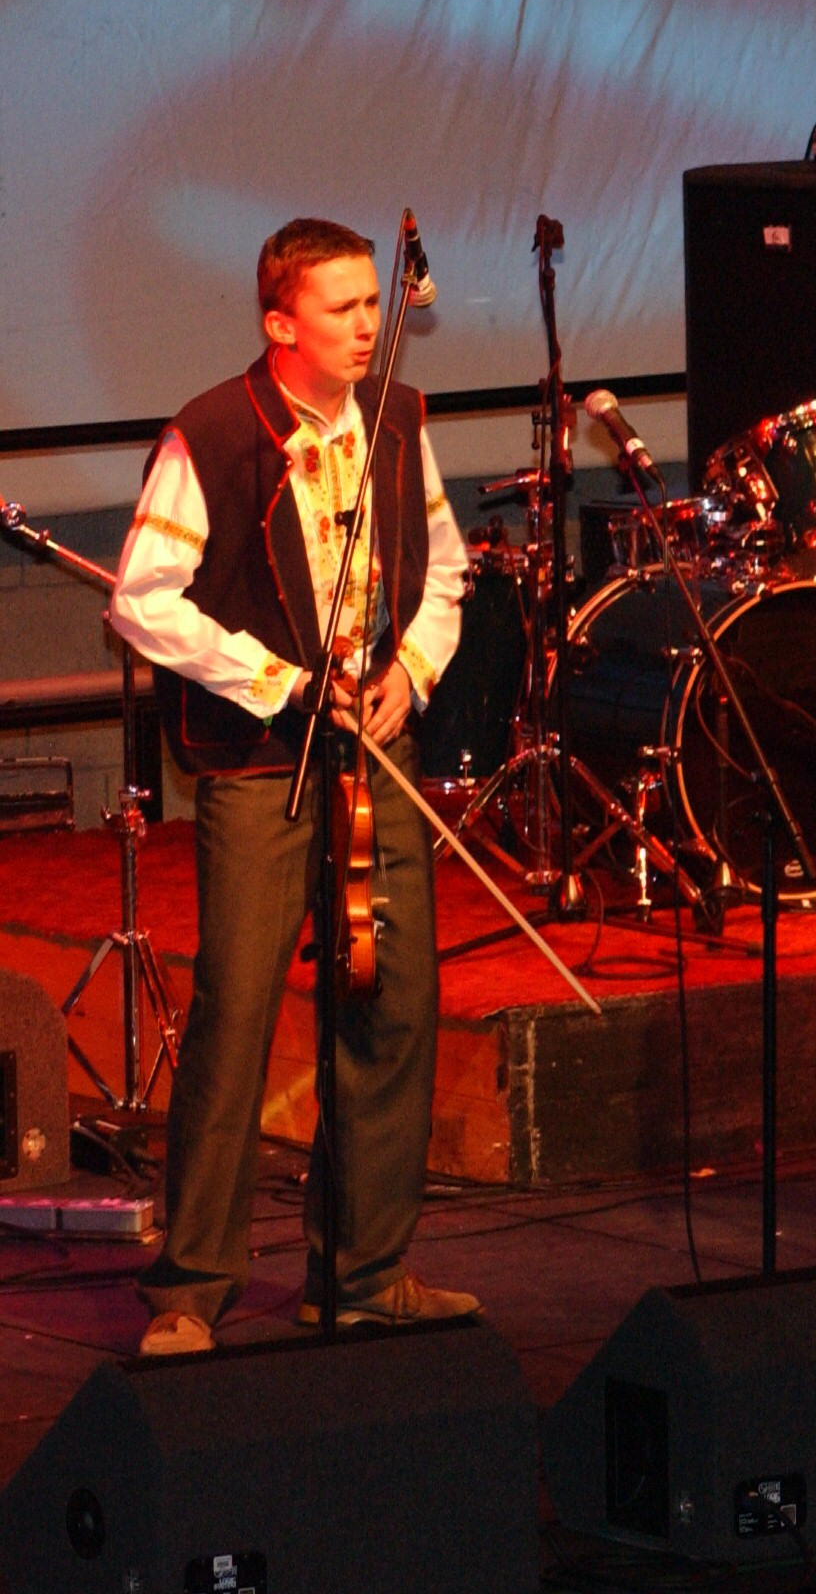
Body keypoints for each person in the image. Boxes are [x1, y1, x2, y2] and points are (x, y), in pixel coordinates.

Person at [110, 218, 475, 1355]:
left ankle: (362, 1271)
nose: (369, 325)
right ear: (281, 323)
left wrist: (410, 674)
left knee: (391, 1002)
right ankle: (191, 1288)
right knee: (238, 1011)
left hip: (375, 746)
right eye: (343, 308)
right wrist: (279, 683)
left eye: (373, 303)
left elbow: (445, 570)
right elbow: (142, 598)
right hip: (262, 760)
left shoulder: (398, 421)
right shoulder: (215, 431)